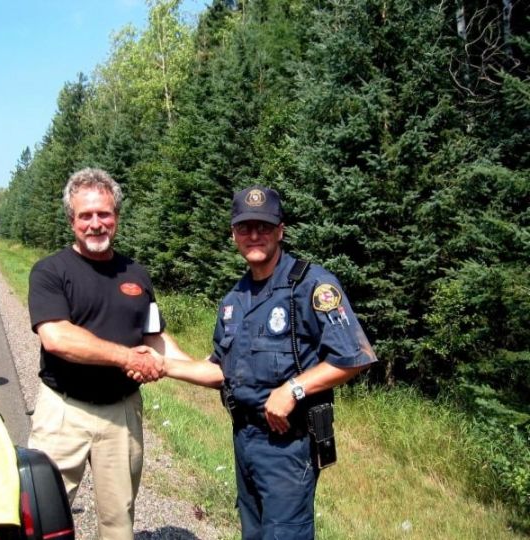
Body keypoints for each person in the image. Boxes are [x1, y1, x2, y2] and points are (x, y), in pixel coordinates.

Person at [161, 185, 378, 539]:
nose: (254, 235)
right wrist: (163, 364)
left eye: (264, 226)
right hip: (244, 439)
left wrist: (294, 389)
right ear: (234, 234)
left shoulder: (312, 285)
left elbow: (354, 357)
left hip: (288, 448)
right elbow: (221, 370)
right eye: (245, 227)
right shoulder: (235, 299)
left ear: (281, 230)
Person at [27, 168, 188, 540]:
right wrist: (129, 358)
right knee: (41, 515)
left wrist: (201, 370)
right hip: (63, 411)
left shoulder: (136, 273)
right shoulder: (50, 271)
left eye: (104, 214)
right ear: (72, 221)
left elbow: (155, 337)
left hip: (122, 412)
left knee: (119, 521)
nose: (96, 224)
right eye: (86, 215)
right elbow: (57, 337)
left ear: (116, 217)